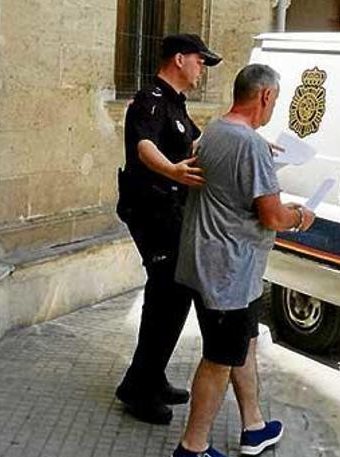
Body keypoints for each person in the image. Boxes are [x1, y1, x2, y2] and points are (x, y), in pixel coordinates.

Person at [167, 64, 315, 457]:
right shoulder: (248, 145)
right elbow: (271, 216)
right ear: (265, 96)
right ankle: (192, 448)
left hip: (217, 267)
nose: (273, 108)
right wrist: (301, 216)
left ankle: (253, 426)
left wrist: (255, 150)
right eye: (275, 100)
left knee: (243, 344)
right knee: (218, 358)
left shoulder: (215, 130)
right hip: (226, 274)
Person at [115, 34, 221, 425]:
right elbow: (144, 146)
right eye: (200, 60)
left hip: (169, 210)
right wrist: (173, 170)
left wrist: (245, 141)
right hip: (150, 209)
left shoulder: (177, 104)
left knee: (170, 296)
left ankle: (149, 376)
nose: (203, 68)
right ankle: (138, 390)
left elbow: (198, 143)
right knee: (168, 296)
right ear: (179, 59)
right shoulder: (150, 100)